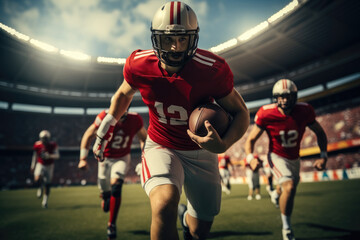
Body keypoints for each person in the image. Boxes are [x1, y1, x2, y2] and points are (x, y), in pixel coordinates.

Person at [92, 2, 250, 240]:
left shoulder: (212, 70)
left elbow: (241, 112)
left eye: (182, 39)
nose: (176, 47)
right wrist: (105, 128)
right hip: (161, 145)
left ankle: (186, 220)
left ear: (193, 39)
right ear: (156, 39)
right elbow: (124, 93)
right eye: (168, 39)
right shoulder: (139, 64)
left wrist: (224, 144)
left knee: (199, 231)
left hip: (202, 152)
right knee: (164, 205)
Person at [245, 79, 328, 240]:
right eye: (280, 96)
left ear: (295, 96)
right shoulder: (266, 112)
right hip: (276, 156)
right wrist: (250, 158)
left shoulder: (305, 110)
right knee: (289, 187)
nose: (284, 100)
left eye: (288, 96)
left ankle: (276, 194)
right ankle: (287, 230)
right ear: (275, 98)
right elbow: (251, 140)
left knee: (288, 189)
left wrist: (323, 155)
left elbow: (320, 132)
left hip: (295, 157)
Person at [78, 109, 147, 239]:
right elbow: (88, 135)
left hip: (122, 157)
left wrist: (145, 153)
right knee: (106, 194)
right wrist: (83, 159)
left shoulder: (135, 119)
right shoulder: (103, 116)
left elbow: (144, 137)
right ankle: (105, 197)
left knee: (116, 186)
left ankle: (112, 224)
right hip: (105, 158)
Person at [30, 130, 59, 208]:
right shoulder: (37, 145)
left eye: (46, 138)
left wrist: (49, 156)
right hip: (40, 164)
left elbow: (57, 156)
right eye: (43, 138)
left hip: (49, 165)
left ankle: (45, 201)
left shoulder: (53, 145)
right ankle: (40, 187)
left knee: (48, 184)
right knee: (37, 178)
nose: (45, 140)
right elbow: (35, 156)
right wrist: (33, 165)